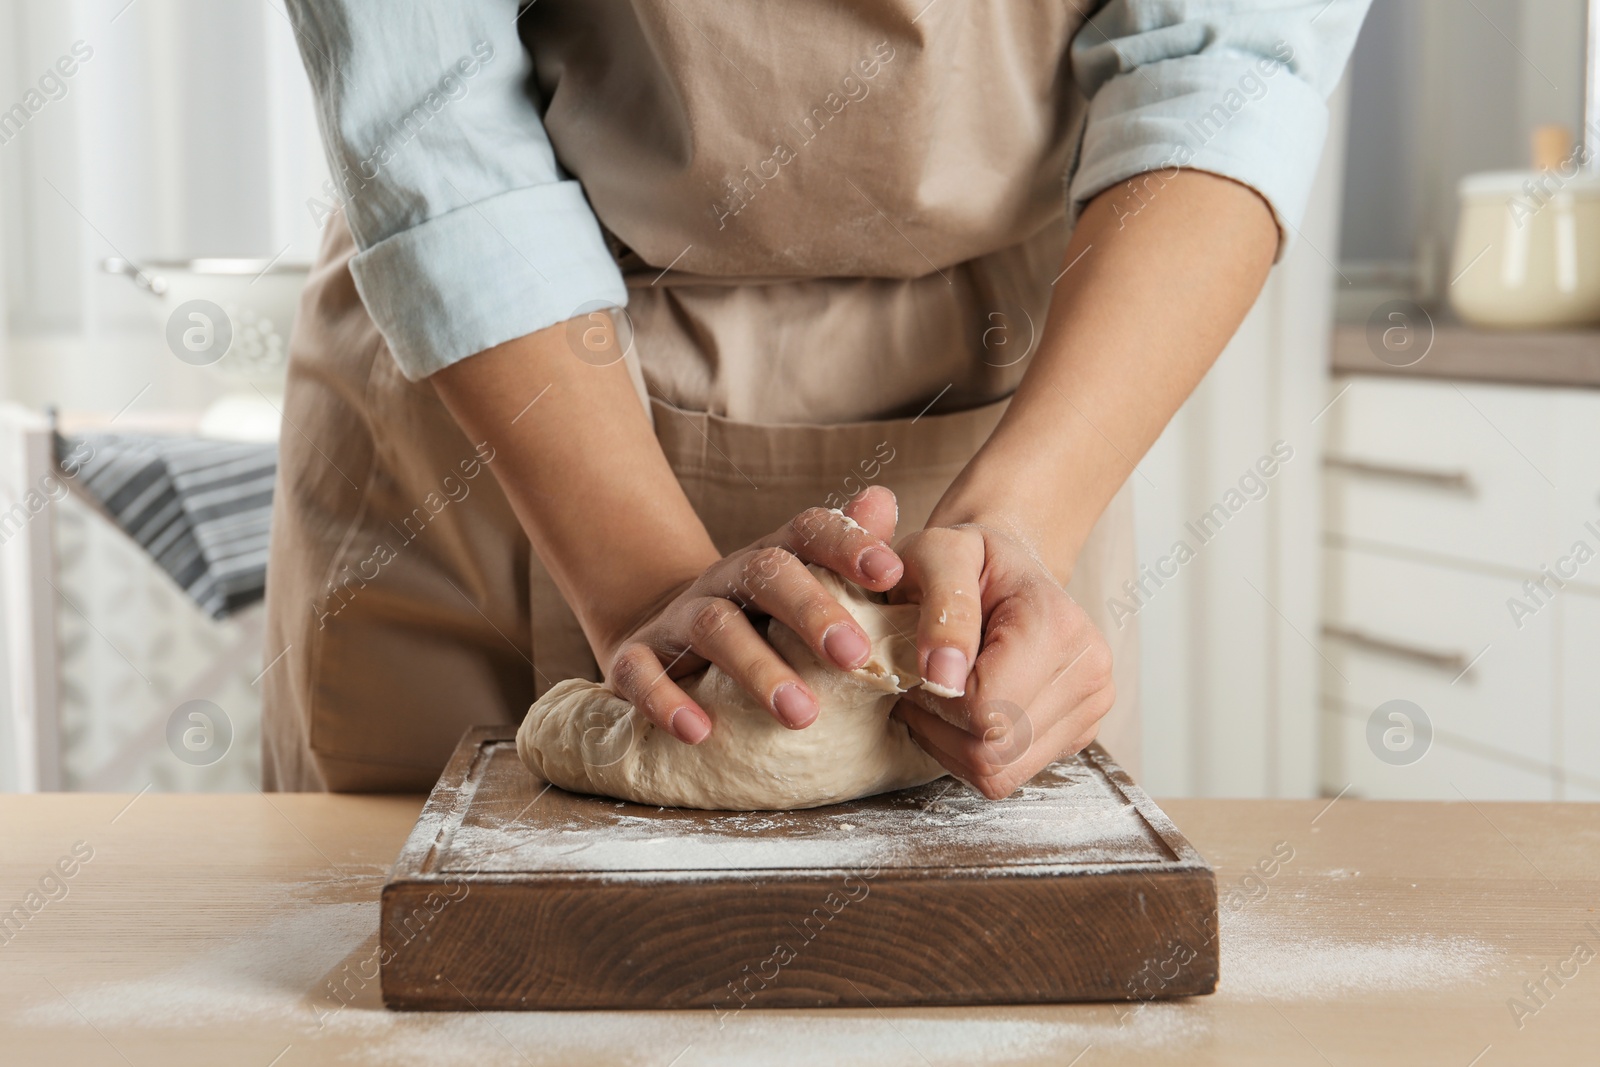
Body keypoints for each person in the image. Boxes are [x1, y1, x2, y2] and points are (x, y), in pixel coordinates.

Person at [264, 0, 1370, 793]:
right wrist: (641, 583)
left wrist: (1022, 518)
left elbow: (1227, 69)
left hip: (998, 389)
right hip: (491, 390)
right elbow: (426, 103)